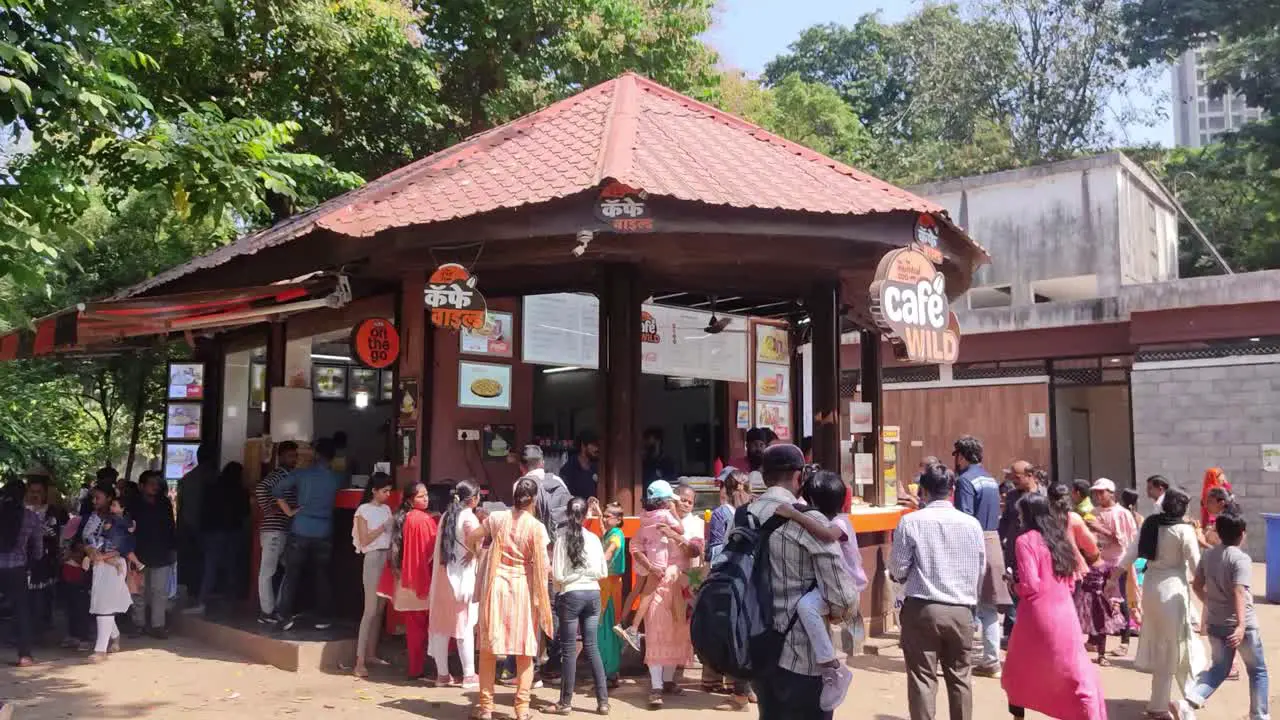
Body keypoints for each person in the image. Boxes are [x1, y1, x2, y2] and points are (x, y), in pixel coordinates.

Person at [744, 444, 860, 720]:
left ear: (764, 475)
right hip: (802, 656)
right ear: (799, 477)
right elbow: (843, 599)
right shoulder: (810, 519)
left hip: (756, 652)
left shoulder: (742, 516)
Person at [890, 462, 985, 720]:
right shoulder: (972, 524)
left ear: (922, 490)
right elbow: (980, 569)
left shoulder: (910, 522)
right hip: (962, 609)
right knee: (960, 678)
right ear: (952, 489)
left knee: (922, 679)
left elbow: (897, 569)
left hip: (922, 608)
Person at [1002, 493, 1108, 720]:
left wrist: (1013, 585)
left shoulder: (1025, 540)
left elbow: (1031, 584)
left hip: (1036, 614)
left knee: (1018, 670)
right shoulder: (1059, 539)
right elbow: (1071, 581)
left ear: (1027, 515)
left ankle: (1018, 717)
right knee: (1074, 671)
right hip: (1064, 611)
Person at [774, 470, 868, 712]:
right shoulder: (830, 519)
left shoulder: (839, 522)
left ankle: (832, 668)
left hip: (846, 584)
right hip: (831, 584)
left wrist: (794, 514)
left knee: (806, 607)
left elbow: (826, 536)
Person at [469, 476, 553, 720]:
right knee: (525, 651)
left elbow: (472, 537)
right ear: (534, 499)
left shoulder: (496, 519)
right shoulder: (537, 528)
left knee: (488, 650)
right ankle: (522, 710)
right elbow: (544, 567)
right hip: (522, 589)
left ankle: (486, 709)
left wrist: (480, 556)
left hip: (495, 587)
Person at [1117, 486, 1204, 719]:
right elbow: (1197, 567)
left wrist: (1112, 577)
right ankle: (1177, 701)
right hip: (1173, 591)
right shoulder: (1184, 531)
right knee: (1177, 646)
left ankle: (1174, 699)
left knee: (1165, 646)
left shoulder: (1150, 525)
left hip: (1152, 589)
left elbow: (1130, 553)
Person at [1178, 511, 1268, 720]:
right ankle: (1259, 715)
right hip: (1241, 626)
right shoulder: (1241, 558)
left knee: (1219, 669)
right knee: (1258, 671)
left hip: (1216, 623)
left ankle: (1188, 701)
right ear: (1242, 534)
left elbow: (1198, 585)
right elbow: (1239, 591)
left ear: (1218, 532)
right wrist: (1241, 626)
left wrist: (1209, 602)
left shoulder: (1208, 555)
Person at [273, 437, 343, 631]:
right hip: (324, 531)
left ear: (316, 454)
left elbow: (276, 489)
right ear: (332, 457)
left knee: (292, 574)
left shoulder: (301, 474)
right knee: (322, 575)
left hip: (301, 528)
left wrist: (288, 511)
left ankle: (285, 616)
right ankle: (324, 617)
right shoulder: (337, 477)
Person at [951, 435, 1007, 677]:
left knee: (965, 603)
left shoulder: (965, 480)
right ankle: (991, 659)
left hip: (973, 542)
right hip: (993, 540)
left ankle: (961, 657)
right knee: (989, 607)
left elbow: (964, 518)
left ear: (962, 456)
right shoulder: (991, 479)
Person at [549, 497, 610, 715]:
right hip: (593, 593)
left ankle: (565, 703)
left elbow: (556, 575)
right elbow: (603, 572)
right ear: (586, 516)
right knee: (592, 647)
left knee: (568, 649)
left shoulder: (561, 540)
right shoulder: (594, 539)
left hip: (570, 593)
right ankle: (603, 702)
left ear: (567, 514)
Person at [701, 469, 756, 707]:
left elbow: (721, 549)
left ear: (728, 489)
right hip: (757, 578)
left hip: (736, 578)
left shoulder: (731, 514)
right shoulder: (759, 508)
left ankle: (740, 693)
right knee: (752, 633)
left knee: (737, 634)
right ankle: (751, 689)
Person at [375, 482, 437, 680]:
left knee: (414, 628)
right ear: (411, 499)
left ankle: (414, 668)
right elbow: (432, 551)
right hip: (421, 579)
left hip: (404, 580)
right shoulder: (423, 520)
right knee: (431, 627)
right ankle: (436, 668)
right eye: (421, 496)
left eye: (426, 495)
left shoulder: (401, 518)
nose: (425, 499)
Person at [612, 480, 682, 654]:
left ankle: (622, 621)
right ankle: (633, 629)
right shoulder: (665, 515)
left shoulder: (643, 514)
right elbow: (680, 529)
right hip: (658, 555)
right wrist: (674, 512)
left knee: (636, 589)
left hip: (644, 552)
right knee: (648, 594)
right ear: (664, 500)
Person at [428, 479, 483, 689]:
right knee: (464, 627)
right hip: (461, 580)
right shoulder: (469, 518)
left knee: (441, 628)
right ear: (474, 499)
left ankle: (442, 675)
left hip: (443, 580)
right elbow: (477, 546)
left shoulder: (445, 516)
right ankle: (469, 674)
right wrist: (475, 553)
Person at [82, 481, 137, 661]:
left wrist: (104, 557)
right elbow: (85, 540)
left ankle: (100, 650)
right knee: (101, 603)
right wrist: (91, 552)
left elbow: (123, 546)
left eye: (98, 497)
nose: (94, 500)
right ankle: (115, 636)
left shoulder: (122, 523)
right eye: (93, 497)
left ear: (110, 500)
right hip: (99, 563)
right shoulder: (93, 518)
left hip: (114, 564)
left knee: (105, 605)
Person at [186, 461, 248, 615]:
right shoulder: (240, 490)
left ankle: (203, 600)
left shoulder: (211, 488)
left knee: (210, 567)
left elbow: (203, 510)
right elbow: (245, 512)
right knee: (232, 566)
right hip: (233, 531)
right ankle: (230, 599)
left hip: (212, 532)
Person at [1087, 478, 1138, 659]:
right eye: (1096, 492)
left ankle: (1124, 640)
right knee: (1097, 600)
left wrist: (1101, 529)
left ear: (1111, 493)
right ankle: (1095, 638)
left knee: (1120, 598)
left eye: (1102, 492)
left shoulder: (1122, 513)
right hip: (1100, 561)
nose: (1099, 496)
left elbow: (1126, 540)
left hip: (1118, 561)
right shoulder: (1093, 512)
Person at [352, 472, 394, 678]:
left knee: (380, 609)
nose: (387, 494)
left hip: (386, 558)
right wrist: (383, 527)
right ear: (374, 491)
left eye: (389, 491)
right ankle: (359, 660)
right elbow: (364, 539)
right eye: (384, 491)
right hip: (373, 558)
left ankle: (371, 653)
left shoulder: (386, 509)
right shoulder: (363, 510)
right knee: (369, 610)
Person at [129, 470, 176, 638]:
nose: (155, 487)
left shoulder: (164, 503)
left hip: (161, 552)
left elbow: (171, 527)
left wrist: (172, 549)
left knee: (159, 591)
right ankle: (138, 624)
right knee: (138, 591)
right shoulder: (133, 504)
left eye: (156, 484)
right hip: (138, 553)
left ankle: (158, 625)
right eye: (151, 484)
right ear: (141, 486)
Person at [255, 441, 298, 623]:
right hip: (274, 529)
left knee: (286, 569)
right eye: (290, 455)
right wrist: (270, 508)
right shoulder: (279, 475)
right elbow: (260, 488)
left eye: (295, 455)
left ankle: (277, 609)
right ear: (280, 457)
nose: (294, 459)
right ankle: (267, 612)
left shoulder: (289, 475)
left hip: (282, 529)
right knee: (268, 571)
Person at [0, 479, 41, 666]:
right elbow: (38, 549)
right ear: (23, 496)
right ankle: (25, 656)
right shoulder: (30, 517)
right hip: (17, 568)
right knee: (21, 610)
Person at [23, 472, 66, 643]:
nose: (35, 495)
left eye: (38, 492)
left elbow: (61, 535)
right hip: (24, 561)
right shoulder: (20, 512)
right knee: (24, 598)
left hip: (46, 561)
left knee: (43, 596)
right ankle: (26, 631)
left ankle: (41, 629)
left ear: (45, 493)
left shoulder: (54, 512)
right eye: (32, 491)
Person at [176, 446, 216, 595]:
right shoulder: (214, 477)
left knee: (192, 561)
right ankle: (203, 593)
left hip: (188, 526)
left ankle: (192, 590)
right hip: (208, 527)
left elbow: (180, 507)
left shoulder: (186, 479)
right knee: (207, 562)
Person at [598, 502, 627, 690]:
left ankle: (610, 673)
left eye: (608, 516)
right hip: (605, 586)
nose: (605, 519)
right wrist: (597, 511)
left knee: (608, 629)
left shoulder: (616, 535)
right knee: (603, 629)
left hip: (610, 588)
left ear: (618, 520)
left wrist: (600, 559)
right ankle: (607, 672)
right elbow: (604, 534)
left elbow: (611, 549)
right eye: (605, 515)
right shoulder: (610, 532)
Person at [706, 469, 753, 565]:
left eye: (722, 485)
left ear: (727, 489)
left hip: (728, 570)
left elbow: (715, 552)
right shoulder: (754, 511)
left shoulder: (720, 513)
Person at [561, 430, 601, 500]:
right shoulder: (569, 469)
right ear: (583, 445)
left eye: (598, 445)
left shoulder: (598, 467)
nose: (597, 448)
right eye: (594, 445)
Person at [642, 426, 678, 495]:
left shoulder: (667, 462)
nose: (646, 443)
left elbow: (672, 481)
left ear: (658, 441)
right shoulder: (642, 462)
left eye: (649, 439)